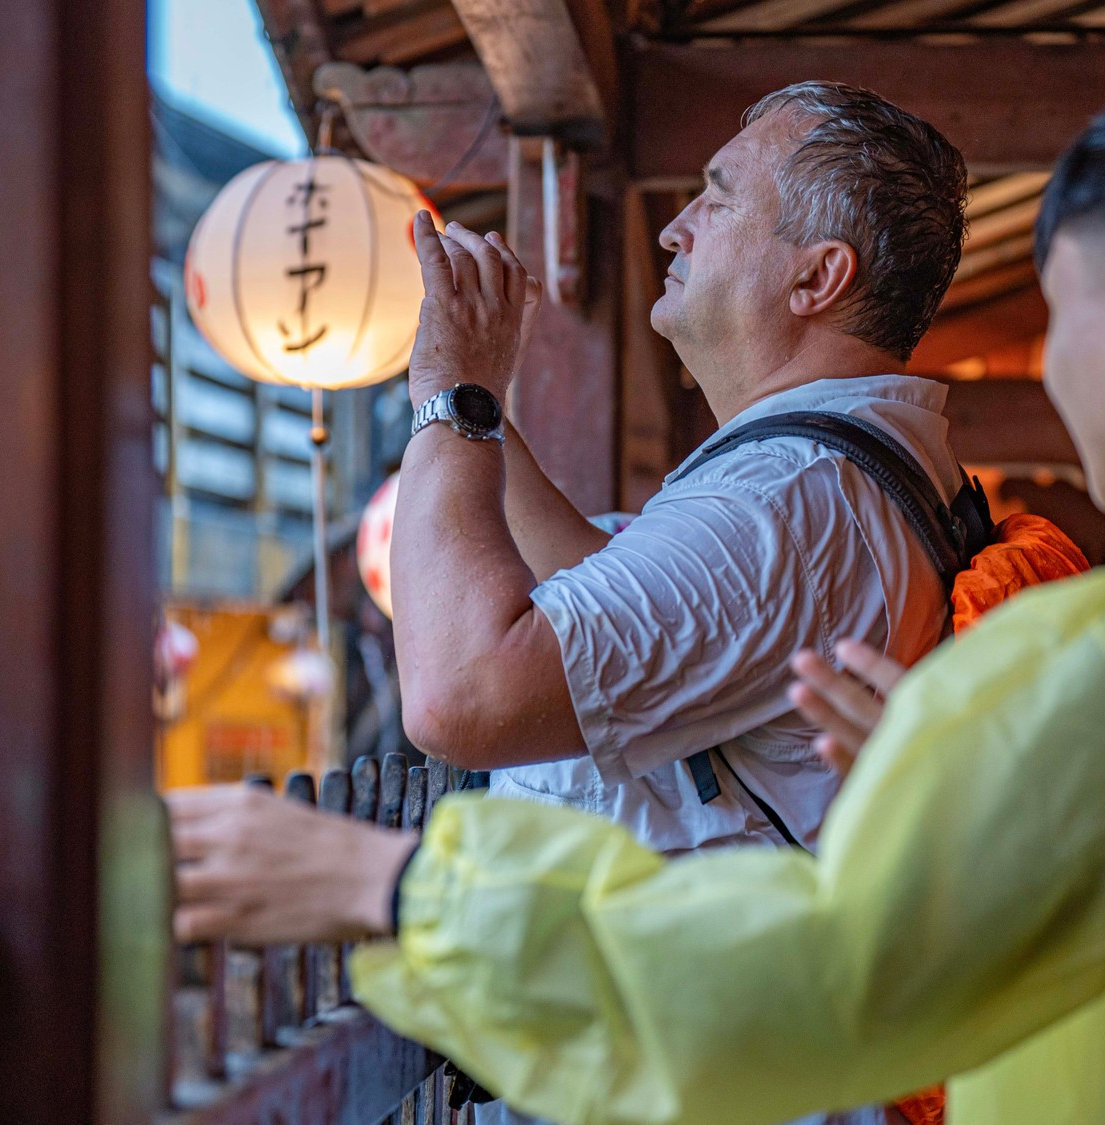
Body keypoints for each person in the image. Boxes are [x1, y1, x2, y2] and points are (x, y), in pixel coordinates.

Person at [168, 77, 1105, 1124]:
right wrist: (959, 786)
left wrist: (396, 889)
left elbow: (845, 965)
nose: (1059, 368)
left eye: (1076, 311)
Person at [391, 80, 968, 859]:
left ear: (816, 278)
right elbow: (632, 599)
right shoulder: (825, 478)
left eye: (716, 203)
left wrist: (446, 395)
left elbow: (459, 694)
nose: (672, 231)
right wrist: (476, 393)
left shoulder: (781, 504)